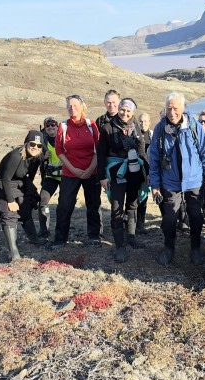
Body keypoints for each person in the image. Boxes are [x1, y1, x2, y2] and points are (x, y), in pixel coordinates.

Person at [148, 91, 205, 266]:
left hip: (194, 180)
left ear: (183, 108)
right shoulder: (160, 129)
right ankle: (168, 247)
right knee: (170, 218)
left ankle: (195, 248)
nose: (172, 112)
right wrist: (155, 185)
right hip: (170, 182)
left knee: (196, 216)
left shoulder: (194, 126)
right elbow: (154, 158)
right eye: (169, 108)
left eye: (175, 108)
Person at [99, 98, 148, 262]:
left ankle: (131, 237)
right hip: (116, 173)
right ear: (118, 108)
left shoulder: (136, 126)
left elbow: (141, 150)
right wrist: (102, 176)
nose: (125, 113)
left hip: (134, 172)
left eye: (128, 111)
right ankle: (120, 247)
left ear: (132, 112)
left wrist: (148, 172)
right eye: (122, 109)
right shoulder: (107, 128)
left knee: (132, 205)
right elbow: (101, 154)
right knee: (116, 207)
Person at [0, 131, 45, 261]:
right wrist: (11, 200)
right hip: (4, 182)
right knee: (9, 213)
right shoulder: (16, 156)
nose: (35, 147)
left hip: (20, 180)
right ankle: (13, 252)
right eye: (32, 144)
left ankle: (34, 238)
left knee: (25, 209)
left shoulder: (37, 157)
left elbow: (30, 176)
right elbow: (5, 179)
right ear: (26, 143)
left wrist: (27, 191)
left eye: (39, 145)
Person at [52, 95, 102, 247]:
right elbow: (59, 151)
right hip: (70, 173)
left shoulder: (91, 125)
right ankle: (60, 239)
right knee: (64, 206)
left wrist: (90, 169)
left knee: (93, 204)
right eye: (69, 106)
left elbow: (98, 149)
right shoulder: (63, 127)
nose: (71, 108)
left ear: (82, 106)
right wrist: (73, 169)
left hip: (91, 172)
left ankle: (94, 236)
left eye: (75, 105)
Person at [37, 116, 63, 239]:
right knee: (43, 201)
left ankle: (62, 232)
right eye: (48, 125)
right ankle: (44, 231)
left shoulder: (65, 138)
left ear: (58, 126)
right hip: (50, 176)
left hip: (66, 176)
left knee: (63, 204)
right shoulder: (41, 141)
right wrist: (42, 157)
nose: (51, 127)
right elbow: (33, 157)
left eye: (53, 125)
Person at [135, 111, 152, 232]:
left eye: (145, 121)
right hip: (136, 170)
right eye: (141, 121)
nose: (143, 123)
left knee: (144, 197)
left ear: (149, 122)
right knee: (134, 197)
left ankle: (141, 222)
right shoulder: (135, 134)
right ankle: (133, 222)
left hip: (148, 170)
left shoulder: (152, 135)